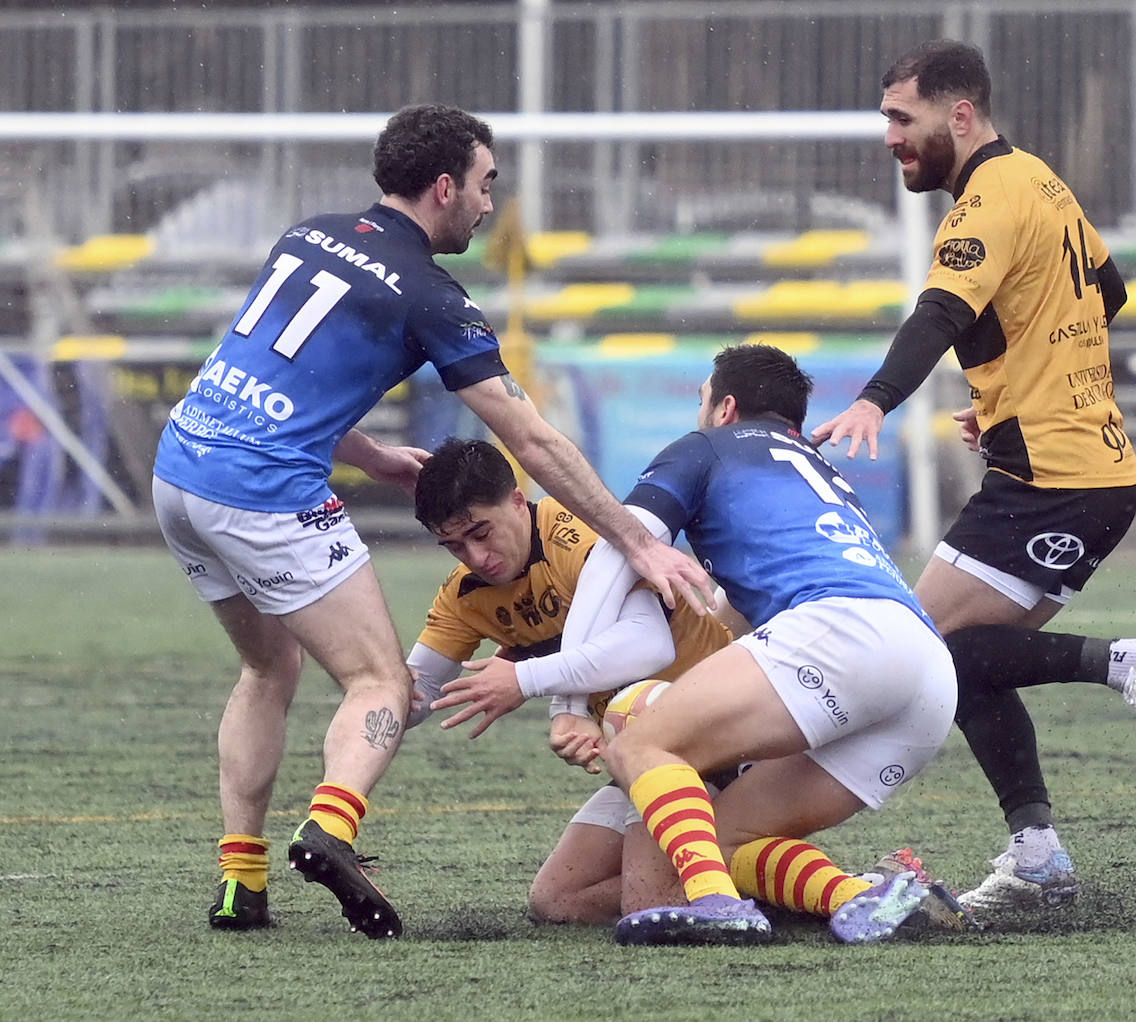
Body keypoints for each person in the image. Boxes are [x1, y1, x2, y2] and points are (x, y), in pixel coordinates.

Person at [151, 103, 712, 937]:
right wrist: (636, 537)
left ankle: (242, 881)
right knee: (381, 681)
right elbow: (530, 435)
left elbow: (269, 369)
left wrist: (371, 455)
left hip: (181, 466)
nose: (489, 205)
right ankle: (333, 827)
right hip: (262, 489)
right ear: (445, 186)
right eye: (486, 185)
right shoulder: (429, 294)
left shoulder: (308, 234)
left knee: (267, 672)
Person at [811, 41, 1136, 916]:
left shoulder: (984, 202)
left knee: (923, 649)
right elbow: (1110, 290)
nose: (890, 139)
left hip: (1058, 479)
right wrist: (1016, 392)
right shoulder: (1042, 182)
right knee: (949, 660)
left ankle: (1134, 662)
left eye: (901, 120)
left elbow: (941, 313)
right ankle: (1039, 856)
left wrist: (876, 400)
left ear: (959, 115)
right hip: (1073, 468)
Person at [568, 343, 972, 946]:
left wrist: (568, 700)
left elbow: (620, 552)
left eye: (703, 400)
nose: (700, 413)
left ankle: (715, 907)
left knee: (640, 741)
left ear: (725, 407)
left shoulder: (704, 448)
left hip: (840, 632)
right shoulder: (820, 471)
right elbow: (749, 603)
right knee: (722, 839)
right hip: (926, 673)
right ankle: (870, 894)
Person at [401, 437, 732, 923]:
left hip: (723, 740)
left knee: (649, 906)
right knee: (555, 902)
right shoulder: (465, 595)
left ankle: (761, 873)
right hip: (641, 755)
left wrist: (524, 680)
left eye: (481, 532)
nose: (475, 557)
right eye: (454, 545)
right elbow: (416, 692)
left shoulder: (581, 533)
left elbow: (648, 644)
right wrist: (367, 694)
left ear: (517, 499)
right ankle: (745, 877)